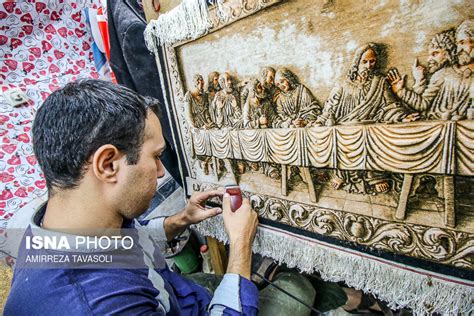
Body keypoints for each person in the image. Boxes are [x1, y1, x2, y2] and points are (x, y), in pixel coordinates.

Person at [4, 80, 259, 315]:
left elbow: (130, 240)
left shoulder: (65, 223)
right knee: (294, 291)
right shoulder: (105, 306)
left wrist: (181, 219)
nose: (161, 172)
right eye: (156, 157)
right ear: (107, 165)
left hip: (175, 294)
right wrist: (241, 245)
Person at [387, 20, 473, 120]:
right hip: (436, 125)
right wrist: (401, 91)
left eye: (463, 42)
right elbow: (423, 104)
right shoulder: (442, 74)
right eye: (458, 43)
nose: (459, 49)